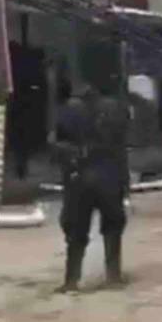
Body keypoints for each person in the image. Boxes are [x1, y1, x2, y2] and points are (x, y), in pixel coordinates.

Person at [52, 82, 130, 292]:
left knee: (76, 230)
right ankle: (113, 276)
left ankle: (71, 281)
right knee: (113, 226)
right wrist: (125, 183)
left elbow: (57, 145)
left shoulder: (68, 110)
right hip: (109, 176)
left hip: (80, 178)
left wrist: (69, 162)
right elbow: (122, 147)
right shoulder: (116, 109)